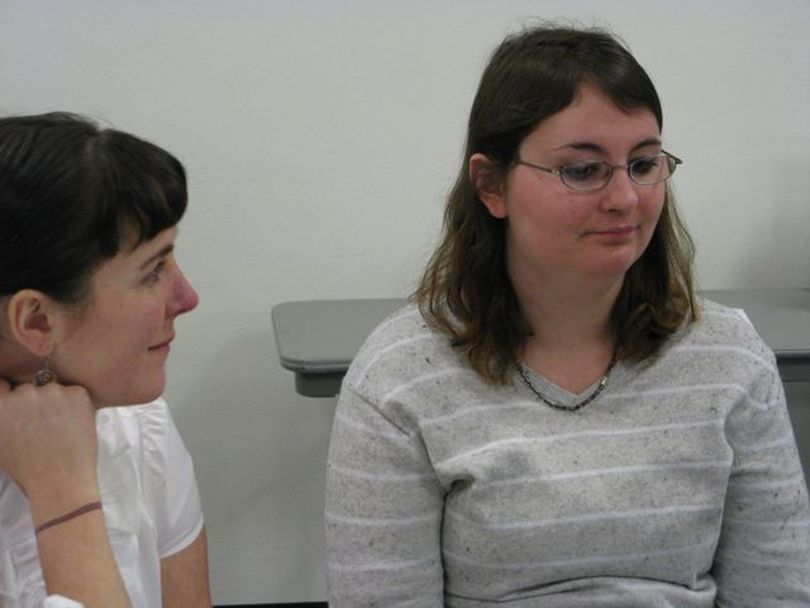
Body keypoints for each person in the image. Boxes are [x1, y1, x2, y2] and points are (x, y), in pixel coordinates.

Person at [324, 25, 810, 606]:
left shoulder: (730, 357)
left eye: (644, 163)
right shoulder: (400, 378)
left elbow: (776, 590)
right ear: (491, 186)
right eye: (583, 170)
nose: (625, 199)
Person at [0, 113, 212, 607]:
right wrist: (63, 494)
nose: (188, 297)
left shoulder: (139, 426)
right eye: (153, 270)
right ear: (36, 322)